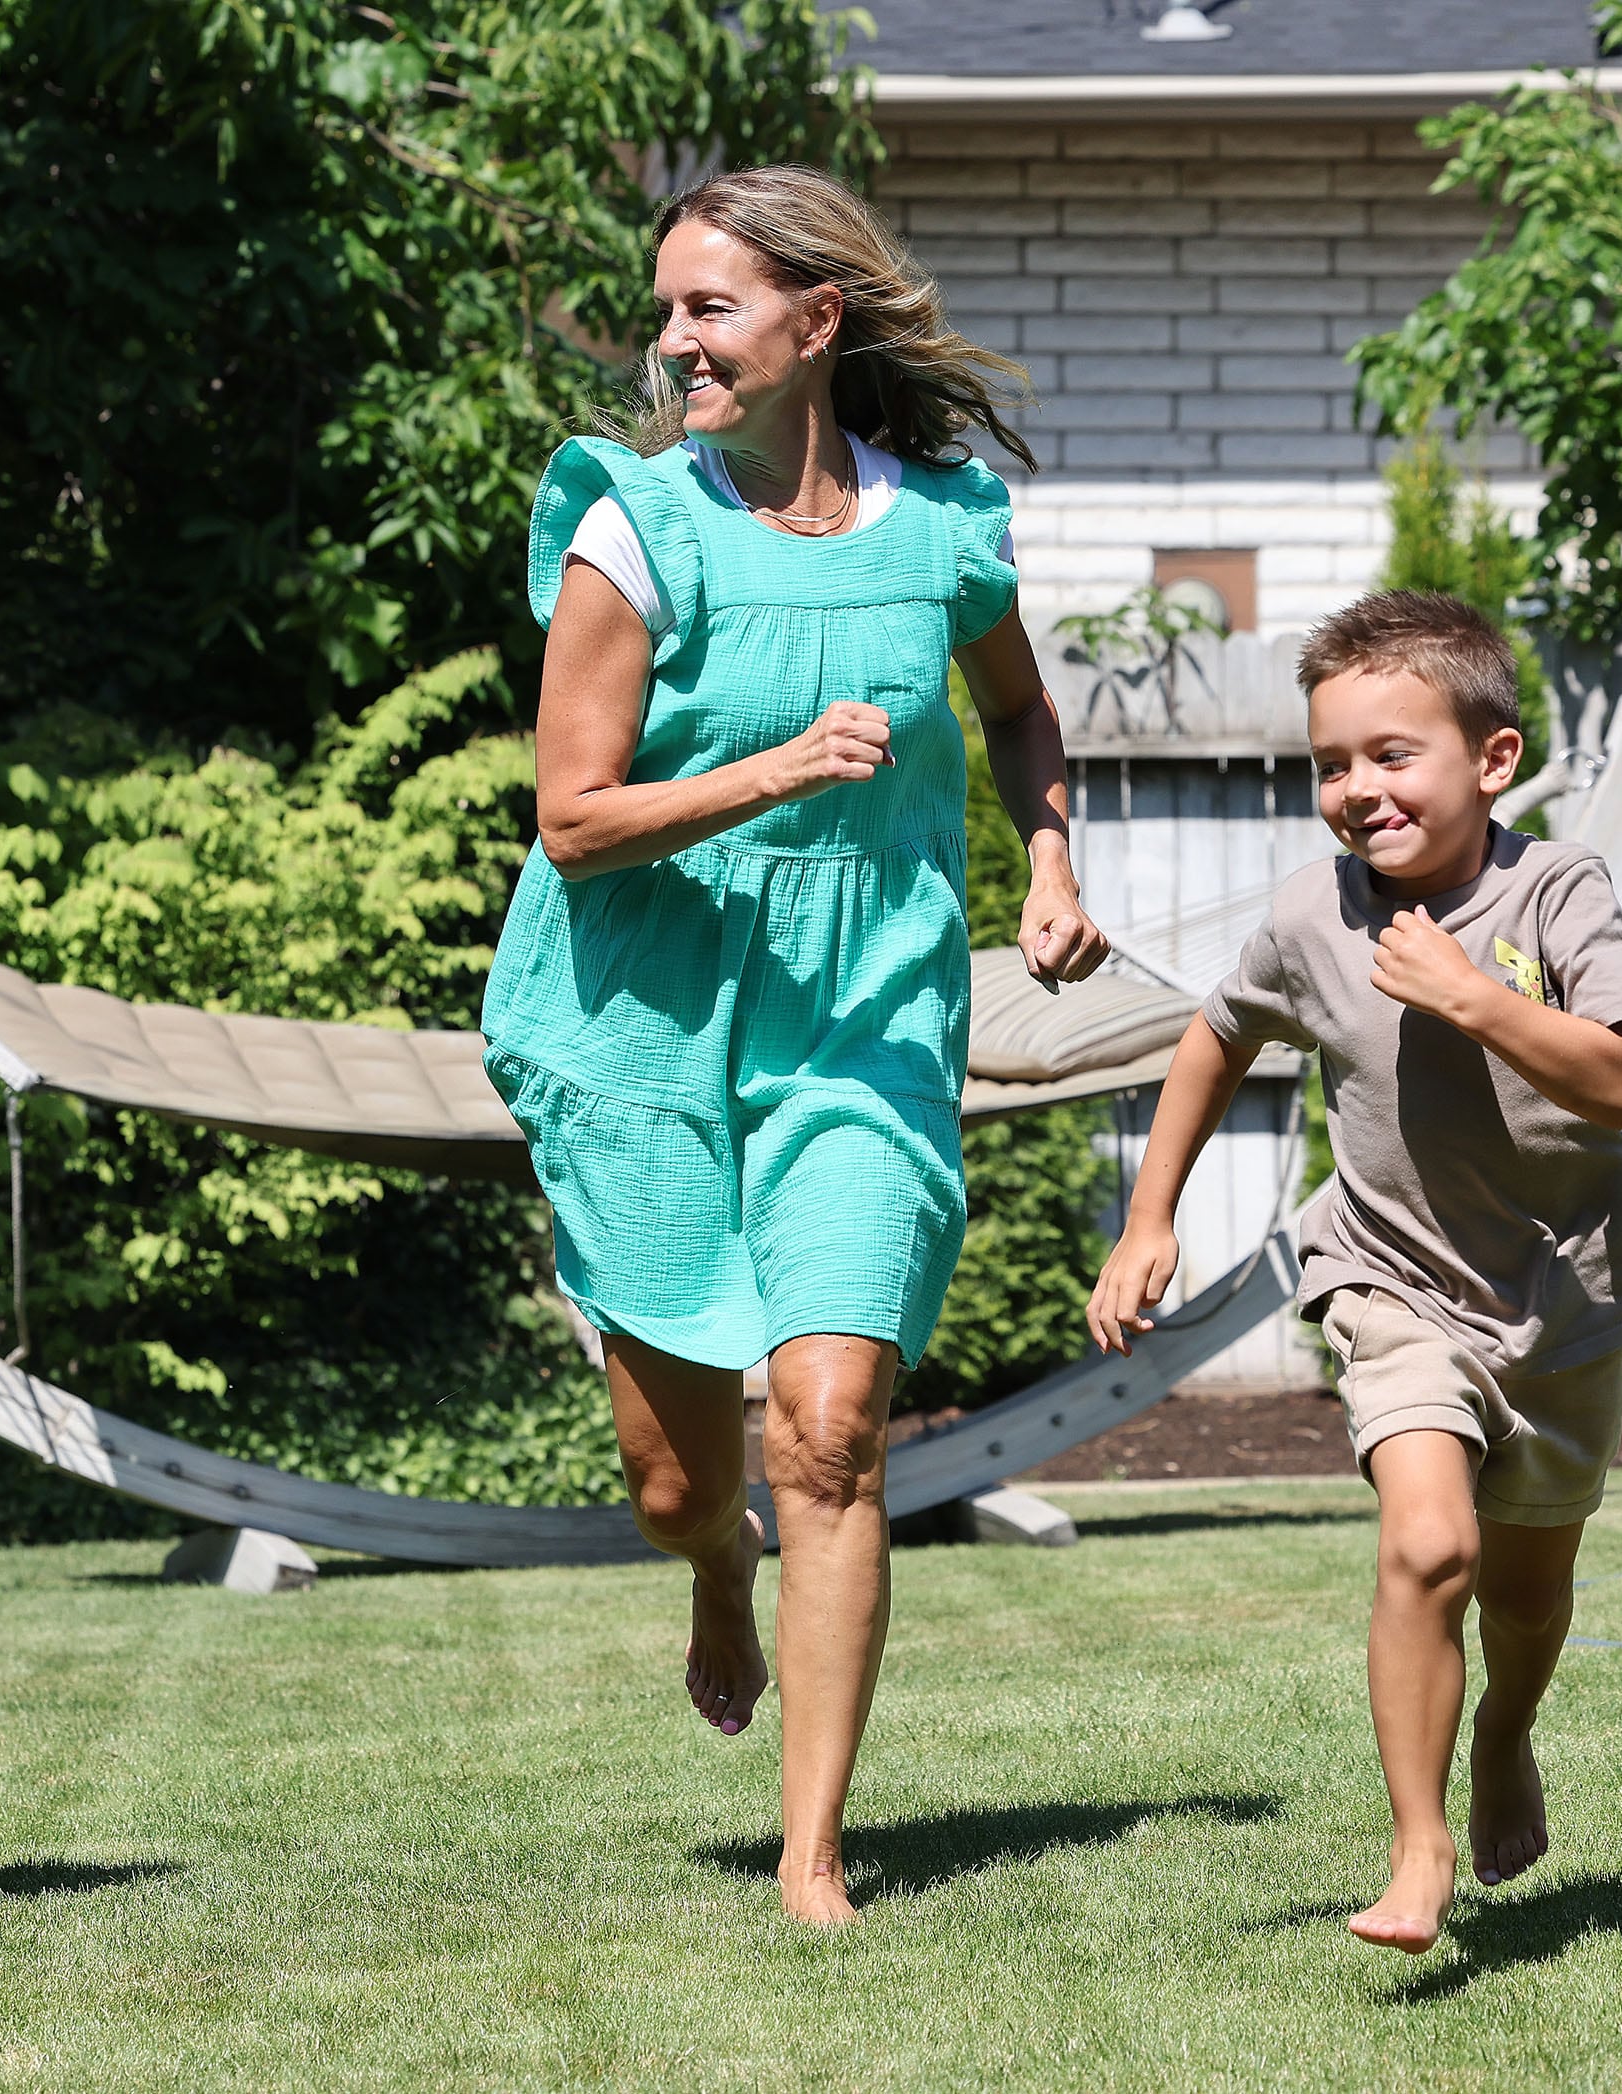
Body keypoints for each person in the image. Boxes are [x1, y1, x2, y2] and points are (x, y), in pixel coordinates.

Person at [481, 164, 1111, 1926]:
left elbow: (1017, 704)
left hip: (865, 1013)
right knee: (679, 1474)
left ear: (813, 325)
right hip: (649, 1010)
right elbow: (574, 818)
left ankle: (814, 1853)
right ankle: (711, 1575)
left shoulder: (942, 525)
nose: (674, 337)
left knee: (832, 1425)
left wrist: (1051, 859)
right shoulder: (633, 523)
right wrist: (776, 768)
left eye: (711, 307)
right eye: (668, 306)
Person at [1087, 589, 1622, 1956]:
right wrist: (1148, 1213)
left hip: (1562, 1303)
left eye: (1393, 754)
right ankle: (1417, 1844)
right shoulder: (1308, 916)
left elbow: (1621, 1079)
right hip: (1390, 1277)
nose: (1356, 787)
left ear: (1493, 760)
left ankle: (1505, 1735)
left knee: (1526, 1593)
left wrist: (1476, 996)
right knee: (1430, 1540)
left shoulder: (1556, 886)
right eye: (1331, 762)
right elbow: (1216, 1037)